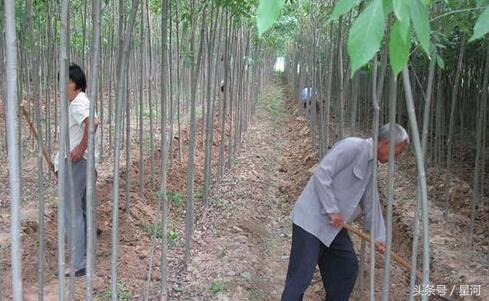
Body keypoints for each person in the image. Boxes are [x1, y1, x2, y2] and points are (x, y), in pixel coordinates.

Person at [281, 123, 410, 301]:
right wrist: (332, 210)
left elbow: (371, 202)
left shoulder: (371, 166)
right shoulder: (352, 147)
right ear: (386, 143)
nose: (397, 157)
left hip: (333, 227)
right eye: (399, 151)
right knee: (300, 277)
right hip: (311, 221)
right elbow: (322, 174)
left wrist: (379, 237)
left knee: (346, 268)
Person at [54, 63, 100, 278]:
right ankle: (84, 256)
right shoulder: (81, 102)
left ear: (76, 83)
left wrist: (80, 149)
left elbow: (94, 123)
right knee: (80, 211)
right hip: (82, 164)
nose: (62, 86)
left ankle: (77, 263)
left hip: (77, 164)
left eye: (66, 81)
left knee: (72, 214)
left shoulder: (77, 103)